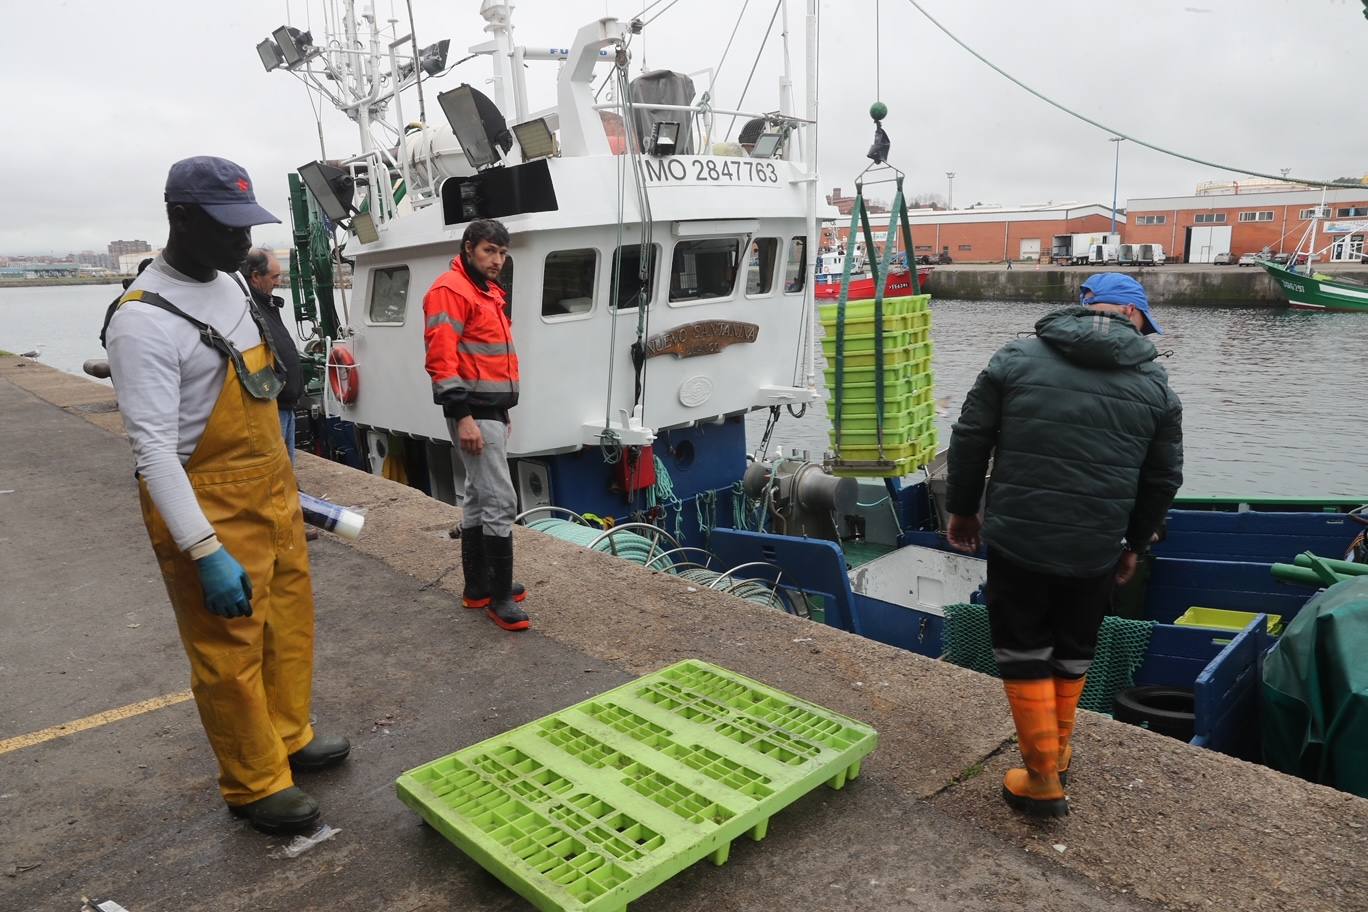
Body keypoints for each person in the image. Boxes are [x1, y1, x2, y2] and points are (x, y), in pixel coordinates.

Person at [105, 156, 348, 835]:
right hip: (206, 504)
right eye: (228, 229)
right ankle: (254, 781)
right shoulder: (142, 321)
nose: (244, 245)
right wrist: (203, 550)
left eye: (248, 228)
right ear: (180, 218)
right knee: (229, 650)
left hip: (271, 492)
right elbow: (153, 451)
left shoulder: (233, 286)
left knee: (288, 624)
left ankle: (290, 735)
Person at [944, 272, 1183, 818]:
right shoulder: (1156, 388)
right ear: (1137, 319)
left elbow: (970, 437)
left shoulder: (1014, 358)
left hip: (1017, 537)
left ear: (1082, 308)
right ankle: (1058, 752)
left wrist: (962, 508)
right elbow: (1161, 480)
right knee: (1074, 647)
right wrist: (1134, 544)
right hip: (1096, 546)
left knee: (1023, 646)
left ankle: (1042, 776)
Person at [423, 218, 529, 631]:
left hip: (489, 411)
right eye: (489, 251)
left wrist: (502, 413)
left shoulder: (486, 293)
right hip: (473, 412)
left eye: (502, 253)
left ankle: (478, 586)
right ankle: (500, 599)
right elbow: (441, 360)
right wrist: (463, 417)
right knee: (501, 501)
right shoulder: (451, 291)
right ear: (469, 248)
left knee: (477, 499)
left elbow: (486, 360)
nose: (496, 260)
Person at [242, 249, 303, 463]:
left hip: (285, 405)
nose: (279, 282)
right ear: (256, 276)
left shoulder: (265, 303)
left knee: (285, 471)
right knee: (277, 470)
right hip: (272, 408)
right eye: (275, 277)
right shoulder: (248, 307)